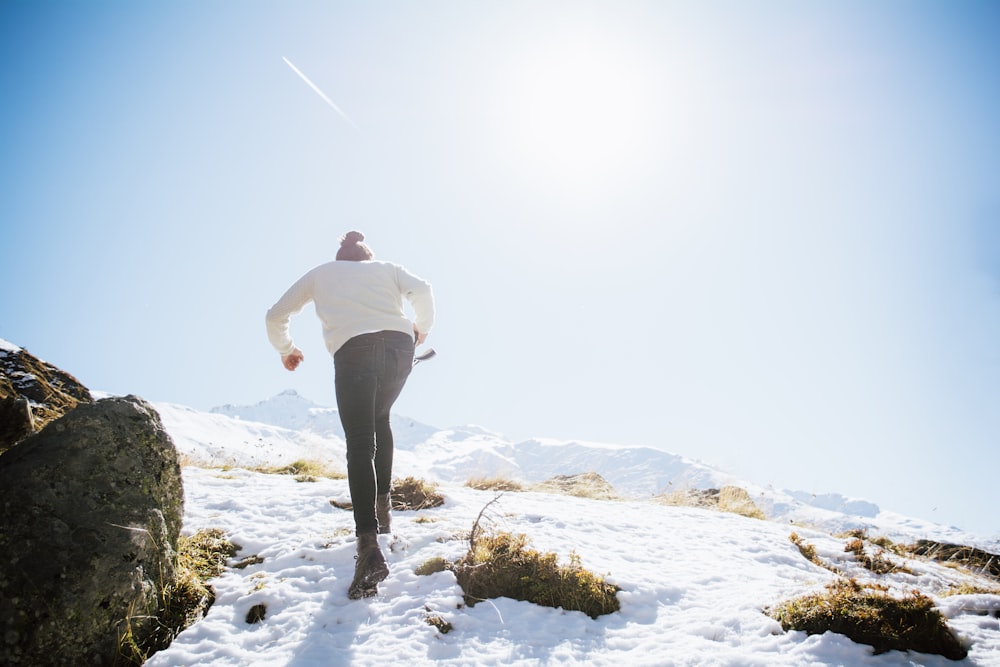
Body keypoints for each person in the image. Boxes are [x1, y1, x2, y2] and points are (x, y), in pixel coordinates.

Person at [265, 230, 435, 599]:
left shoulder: (321, 273)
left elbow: (275, 314)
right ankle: (383, 512)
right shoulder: (387, 269)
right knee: (381, 419)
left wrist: (287, 349)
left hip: (355, 352)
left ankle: (368, 548)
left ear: (341, 258)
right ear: (367, 257)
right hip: (399, 347)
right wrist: (421, 328)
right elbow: (422, 290)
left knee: (360, 441)